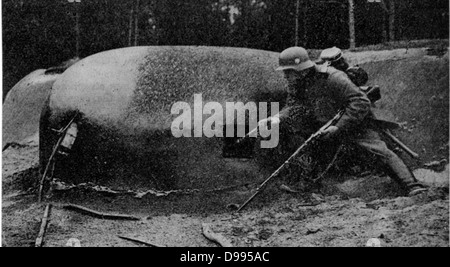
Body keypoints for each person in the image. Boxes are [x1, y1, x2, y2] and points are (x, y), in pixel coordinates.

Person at [259, 46, 427, 197]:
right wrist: (275, 118)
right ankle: (307, 185)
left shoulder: (333, 77)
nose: (285, 76)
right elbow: (294, 106)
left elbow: (360, 102)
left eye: (288, 72)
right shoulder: (297, 84)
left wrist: (339, 127)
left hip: (353, 122)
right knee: (307, 145)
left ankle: (412, 186)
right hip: (324, 122)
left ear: (300, 70)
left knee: (377, 150)